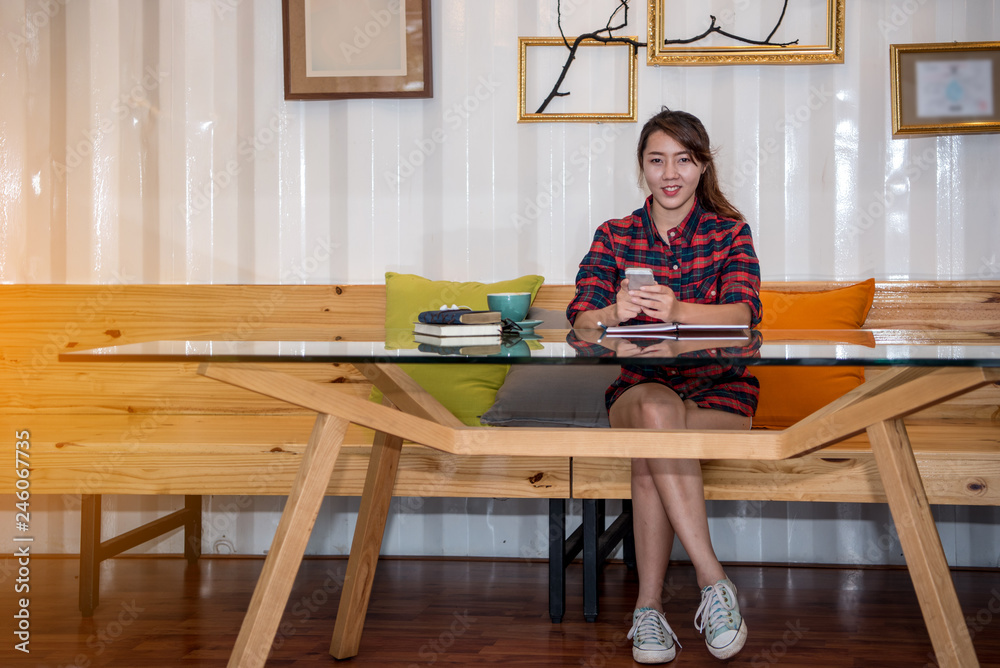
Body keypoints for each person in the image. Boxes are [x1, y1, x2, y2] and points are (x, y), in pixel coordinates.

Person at [566, 108, 761, 663]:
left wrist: (679, 308)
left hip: (721, 393)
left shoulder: (729, 231)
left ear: (702, 166)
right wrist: (611, 309)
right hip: (639, 392)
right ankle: (713, 580)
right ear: (642, 168)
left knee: (653, 448)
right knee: (655, 414)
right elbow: (579, 319)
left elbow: (745, 314)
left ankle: (648, 610)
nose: (669, 172)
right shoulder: (615, 234)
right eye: (657, 160)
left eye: (683, 159)